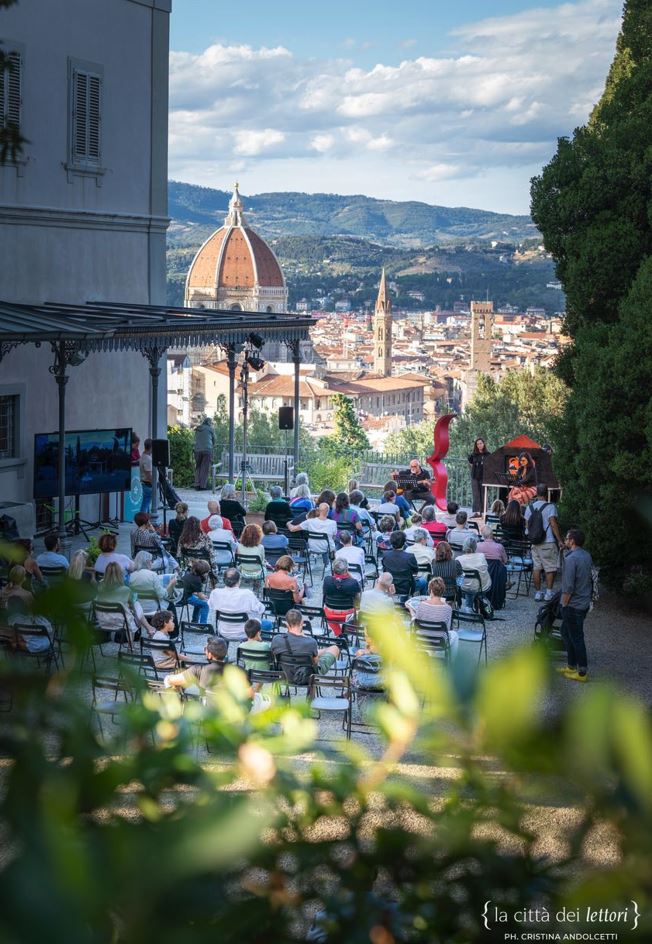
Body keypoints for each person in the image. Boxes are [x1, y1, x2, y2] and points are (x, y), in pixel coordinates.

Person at [558, 529, 593, 683]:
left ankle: (582, 672)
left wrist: (564, 605)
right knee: (566, 632)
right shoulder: (586, 555)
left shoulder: (572, 559)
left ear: (572, 541)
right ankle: (571, 666)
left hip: (574, 605)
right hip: (583, 602)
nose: (565, 541)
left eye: (566, 538)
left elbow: (568, 587)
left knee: (576, 637)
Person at [270, 608, 340, 681]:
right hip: (308, 677)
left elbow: (273, 657)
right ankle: (325, 650)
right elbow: (315, 663)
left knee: (314, 652)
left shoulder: (276, 639)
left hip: (285, 674)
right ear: (302, 623)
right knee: (335, 648)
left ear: (286, 624)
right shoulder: (311, 642)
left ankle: (323, 650)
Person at [0, 566, 53, 653]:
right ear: (23, 578)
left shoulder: (2, 592)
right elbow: (34, 613)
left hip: (4, 629)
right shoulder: (27, 595)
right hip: (20, 631)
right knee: (45, 627)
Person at [524, 484, 564, 601]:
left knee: (536, 568)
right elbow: (553, 524)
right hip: (548, 541)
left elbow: (527, 526)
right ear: (546, 493)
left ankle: (538, 592)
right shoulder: (550, 507)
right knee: (550, 568)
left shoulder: (529, 508)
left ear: (536, 493)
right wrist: (559, 540)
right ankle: (548, 593)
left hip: (534, 542)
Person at [208, 567, 268, 640]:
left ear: (224, 580)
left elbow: (210, 605)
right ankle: (254, 648)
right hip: (247, 632)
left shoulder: (215, 593)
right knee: (268, 624)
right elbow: (261, 610)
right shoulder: (247, 594)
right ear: (239, 581)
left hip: (223, 631)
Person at [322, 558, 360, 635]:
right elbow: (358, 601)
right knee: (360, 612)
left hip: (329, 614)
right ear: (346, 569)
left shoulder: (327, 580)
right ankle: (345, 633)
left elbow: (324, 596)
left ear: (333, 569)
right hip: (348, 615)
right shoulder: (353, 582)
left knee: (326, 611)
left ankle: (339, 634)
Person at [382, 531, 425, 598]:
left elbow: (384, 570)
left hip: (391, 585)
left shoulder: (386, 555)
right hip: (407, 587)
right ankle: (423, 603)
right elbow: (416, 571)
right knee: (424, 581)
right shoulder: (410, 556)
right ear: (404, 542)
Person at [456, 537, 491, 609]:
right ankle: (480, 603)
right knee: (479, 582)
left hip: (465, 587)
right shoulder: (481, 556)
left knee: (468, 586)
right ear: (475, 547)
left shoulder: (458, 559)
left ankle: (469, 607)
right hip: (481, 587)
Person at [178, 559, 211, 624]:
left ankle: (195, 621)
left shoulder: (189, 575)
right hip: (185, 598)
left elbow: (190, 589)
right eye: (206, 572)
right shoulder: (197, 579)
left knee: (199, 602)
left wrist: (200, 596)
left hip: (180, 595)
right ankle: (203, 625)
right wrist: (207, 598)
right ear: (202, 572)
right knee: (205, 605)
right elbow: (200, 596)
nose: (207, 574)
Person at [468, 438, 489, 517]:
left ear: (484, 444)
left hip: (484, 477)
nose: (479, 445)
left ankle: (483, 512)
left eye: (480, 443)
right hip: (475, 477)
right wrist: (474, 469)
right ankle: (477, 512)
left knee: (484, 494)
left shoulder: (488, 454)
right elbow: (470, 462)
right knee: (476, 495)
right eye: (477, 444)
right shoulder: (473, 454)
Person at [193, 416, 214, 491]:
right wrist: (212, 446)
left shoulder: (198, 429)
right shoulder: (210, 429)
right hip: (207, 450)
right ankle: (202, 486)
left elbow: (195, 439)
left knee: (198, 467)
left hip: (197, 450)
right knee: (205, 468)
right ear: (209, 423)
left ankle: (196, 485)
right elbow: (214, 440)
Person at [139, 438, 153, 514]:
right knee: (145, 504)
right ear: (151, 447)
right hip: (148, 484)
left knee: (146, 503)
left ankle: (146, 520)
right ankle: (142, 520)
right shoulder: (147, 459)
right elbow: (148, 474)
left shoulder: (144, 456)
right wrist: (153, 483)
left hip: (146, 484)